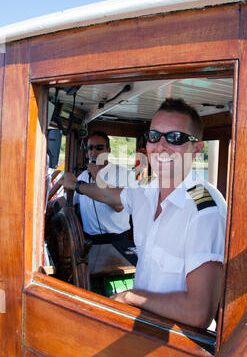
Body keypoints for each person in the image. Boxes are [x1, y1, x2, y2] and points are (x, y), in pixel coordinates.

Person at [63, 99, 227, 329]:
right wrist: (77, 186)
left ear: (197, 149)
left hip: (177, 340)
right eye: (154, 136)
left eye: (175, 138)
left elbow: (198, 312)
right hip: (140, 323)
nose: (161, 146)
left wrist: (131, 297)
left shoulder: (204, 210)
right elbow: (110, 195)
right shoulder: (147, 189)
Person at [73, 130, 131, 244]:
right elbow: (68, 199)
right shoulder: (83, 176)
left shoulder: (123, 174)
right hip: (89, 239)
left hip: (116, 238)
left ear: (108, 151)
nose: (94, 152)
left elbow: (119, 206)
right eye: (90, 148)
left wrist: (96, 177)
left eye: (99, 148)